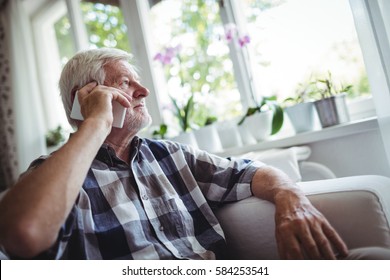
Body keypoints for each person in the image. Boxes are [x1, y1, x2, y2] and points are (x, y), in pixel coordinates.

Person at [0, 48, 351, 260]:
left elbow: (248, 172)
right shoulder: (55, 175)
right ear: (86, 97)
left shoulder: (168, 155)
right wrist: (96, 123)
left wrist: (291, 199)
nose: (144, 90)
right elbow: (22, 231)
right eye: (125, 83)